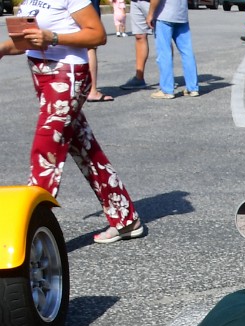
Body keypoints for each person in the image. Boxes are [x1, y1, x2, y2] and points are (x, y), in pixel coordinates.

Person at [0, 0, 144, 244]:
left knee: (45, 151)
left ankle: (27, 235)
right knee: (86, 149)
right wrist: (2, 48)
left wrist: (53, 38)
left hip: (67, 76)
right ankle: (126, 219)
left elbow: (97, 34)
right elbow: (28, 41)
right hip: (43, 75)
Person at [147, 0, 198, 99]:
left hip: (164, 15)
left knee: (164, 52)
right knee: (187, 52)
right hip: (181, 14)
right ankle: (193, 88)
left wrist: (150, 14)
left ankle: (167, 90)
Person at [121, 0, 150, 89]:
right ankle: (139, 78)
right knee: (139, 35)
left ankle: (168, 78)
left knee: (163, 35)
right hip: (136, 1)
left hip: (153, 2)